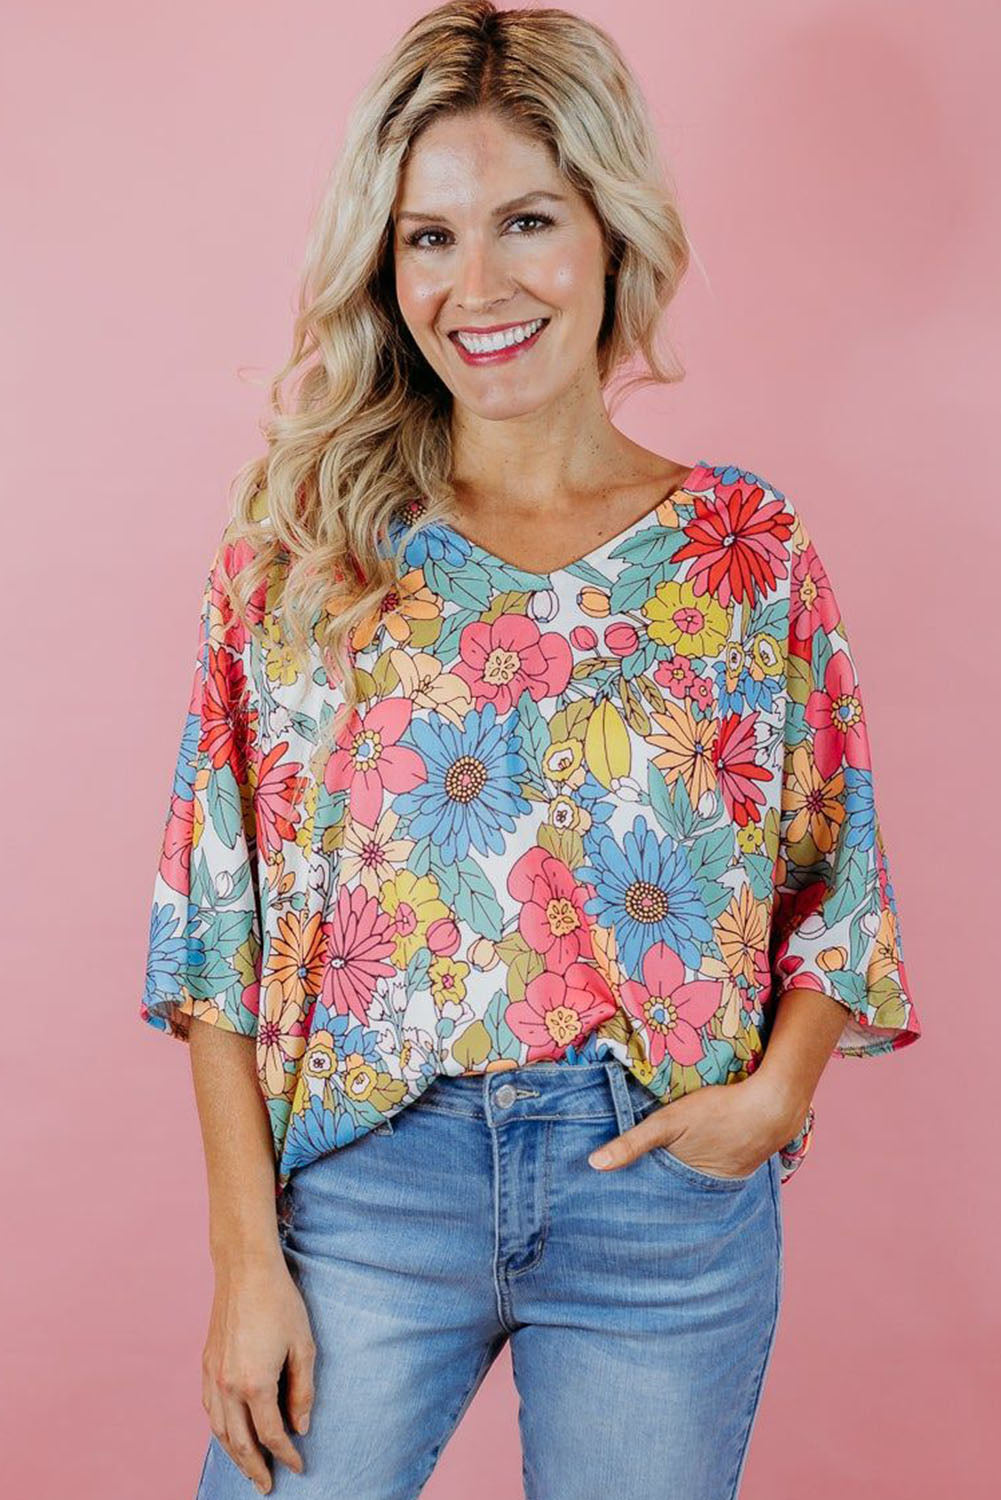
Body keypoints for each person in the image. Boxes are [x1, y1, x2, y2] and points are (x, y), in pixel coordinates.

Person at [139, 3, 923, 1495]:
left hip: (658, 1201)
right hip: (368, 1187)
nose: (477, 285)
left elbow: (835, 873)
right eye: (428, 237)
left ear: (611, 233)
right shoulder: (305, 552)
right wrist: (246, 1262)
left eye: (527, 221)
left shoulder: (741, 550)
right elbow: (213, 926)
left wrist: (776, 1098)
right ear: (385, 266)